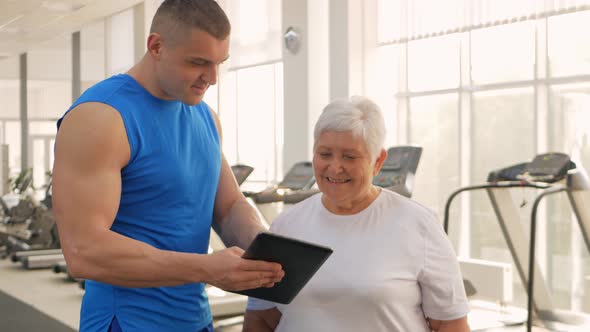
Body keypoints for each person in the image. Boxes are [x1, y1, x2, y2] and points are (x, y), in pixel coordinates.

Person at [52, 1, 284, 331]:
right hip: (128, 323)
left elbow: (229, 206)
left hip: (195, 319)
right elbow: (83, 251)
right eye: (198, 63)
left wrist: (269, 249)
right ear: (156, 46)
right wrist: (208, 268)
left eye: (219, 63)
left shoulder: (205, 117)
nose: (212, 78)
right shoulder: (100, 118)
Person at [242, 96, 470, 332]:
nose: (335, 167)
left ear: (378, 161)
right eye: (325, 154)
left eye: (349, 157)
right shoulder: (286, 225)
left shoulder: (419, 224)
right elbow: (261, 318)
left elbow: (449, 323)